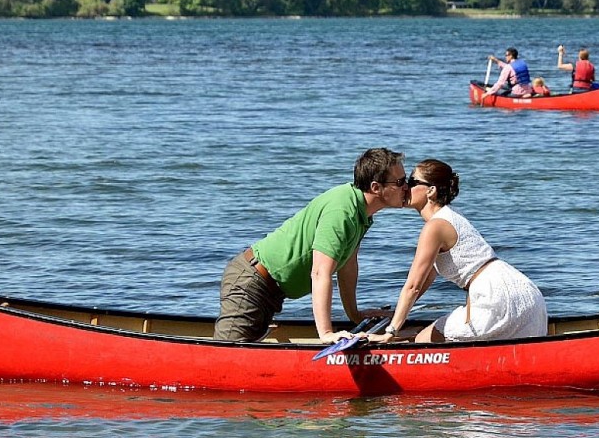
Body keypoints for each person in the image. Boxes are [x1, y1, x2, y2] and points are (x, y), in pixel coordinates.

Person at [214, 147, 408, 344]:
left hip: (270, 290)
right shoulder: (342, 211)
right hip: (251, 283)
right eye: (400, 182)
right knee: (225, 356)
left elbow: (348, 266)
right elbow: (319, 272)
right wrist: (326, 333)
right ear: (376, 187)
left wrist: (355, 315)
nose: (407, 187)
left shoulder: (361, 213)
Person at [371, 159, 547, 344]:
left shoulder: (435, 226)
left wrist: (390, 332)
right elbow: (422, 283)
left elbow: (412, 286)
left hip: (498, 297)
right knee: (425, 337)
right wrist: (396, 316)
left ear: (431, 191)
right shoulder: (451, 215)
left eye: (412, 182)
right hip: (523, 293)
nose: (405, 187)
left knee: (424, 339)